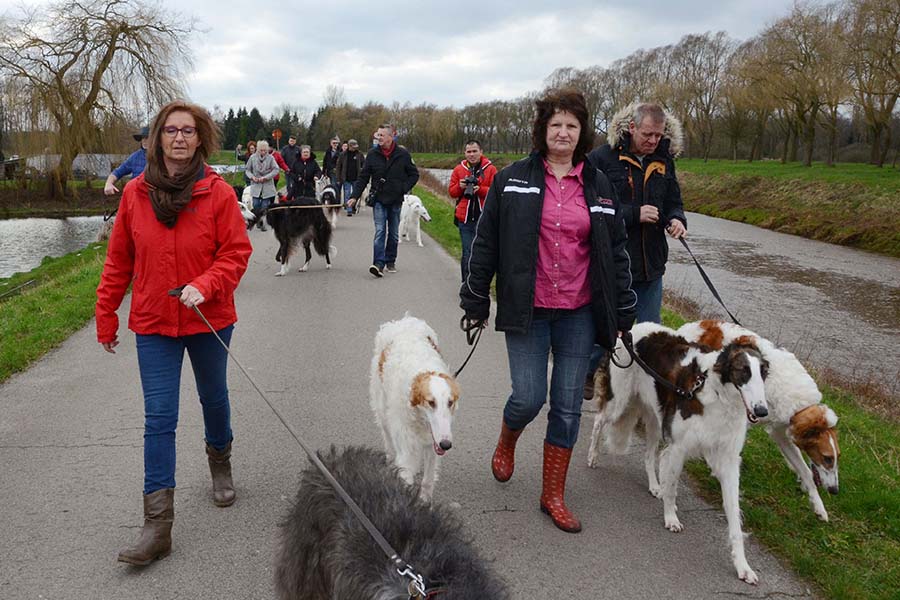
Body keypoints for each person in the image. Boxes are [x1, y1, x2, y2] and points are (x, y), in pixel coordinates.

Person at [459, 89, 635, 534]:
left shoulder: (599, 184)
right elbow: (487, 241)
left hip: (580, 312)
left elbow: (616, 251)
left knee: (568, 407)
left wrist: (624, 310)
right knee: (528, 397)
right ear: (543, 130)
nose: (563, 132)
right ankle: (508, 437)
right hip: (528, 308)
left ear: (582, 132)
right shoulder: (513, 179)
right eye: (556, 124)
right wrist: (475, 297)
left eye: (572, 126)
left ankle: (552, 495)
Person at [95, 99, 252, 565]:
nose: (179, 137)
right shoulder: (135, 194)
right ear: (157, 138)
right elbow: (119, 259)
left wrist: (206, 284)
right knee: (159, 418)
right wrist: (106, 313)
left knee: (213, 398)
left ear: (200, 139)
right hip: (154, 321)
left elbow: (236, 253)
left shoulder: (217, 193)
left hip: (209, 318)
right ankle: (157, 526)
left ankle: (220, 461)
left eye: (188, 130)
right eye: (170, 130)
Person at [582, 102, 686, 398]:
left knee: (652, 334)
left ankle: (648, 393)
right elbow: (588, 205)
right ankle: (587, 373)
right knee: (606, 326)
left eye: (658, 135)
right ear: (632, 128)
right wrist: (633, 214)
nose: (653, 141)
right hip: (613, 263)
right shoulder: (602, 158)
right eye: (647, 134)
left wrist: (677, 219)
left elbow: (674, 201)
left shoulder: (664, 160)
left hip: (652, 265)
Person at [348, 123, 419, 277]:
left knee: (393, 233)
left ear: (391, 136)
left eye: (382, 135)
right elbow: (364, 177)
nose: (378, 137)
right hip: (379, 199)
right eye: (377, 135)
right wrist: (354, 196)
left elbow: (414, 175)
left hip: (396, 200)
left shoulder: (403, 154)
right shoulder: (372, 154)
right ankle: (378, 264)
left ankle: (390, 260)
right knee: (380, 231)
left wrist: (403, 188)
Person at [448, 139, 497, 281]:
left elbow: (497, 192)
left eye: (474, 151)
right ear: (465, 153)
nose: (472, 154)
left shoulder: (491, 169)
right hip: (465, 219)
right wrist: (460, 187)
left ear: (481, 152)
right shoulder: (459, 169)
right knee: (467, 252)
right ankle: (467, 283)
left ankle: (480, 284)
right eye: (468, 151)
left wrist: (480, 189)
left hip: (484, 219)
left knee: (483, 254)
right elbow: (452, 192)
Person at [245, 140, 279, 230]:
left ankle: (263, 223)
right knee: (256, 204)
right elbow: (247, 170)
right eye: (261, 150)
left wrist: (266, 177)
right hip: (256, 185)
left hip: (267, 185)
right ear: (258, 150)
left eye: (265, 150)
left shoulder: (270, 158)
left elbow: (276, 169)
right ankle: (258, 220)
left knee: (264, 206)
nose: (263, 152)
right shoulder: (252, 158)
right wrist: (252, 177)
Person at [104, 126, 149, 195]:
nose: (144, 141)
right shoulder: (135, 157)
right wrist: (108, 183)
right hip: (137, 196)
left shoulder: (163, 157)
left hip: (157, 198)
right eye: (143, 138)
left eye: (147, 138)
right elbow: (118, 172)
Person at [335, 138, 364, 216]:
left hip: (356, 178)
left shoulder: (359, 154)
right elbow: (338, 167)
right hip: (346, 178)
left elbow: (364, 164)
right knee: (347, 194)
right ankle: (349, 209)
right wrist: (338, 178)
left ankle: (353, 206)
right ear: (349, 146)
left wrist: (362, 172)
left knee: (355, 194)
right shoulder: (343, 154)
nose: (355, 148)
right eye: (353, 147)